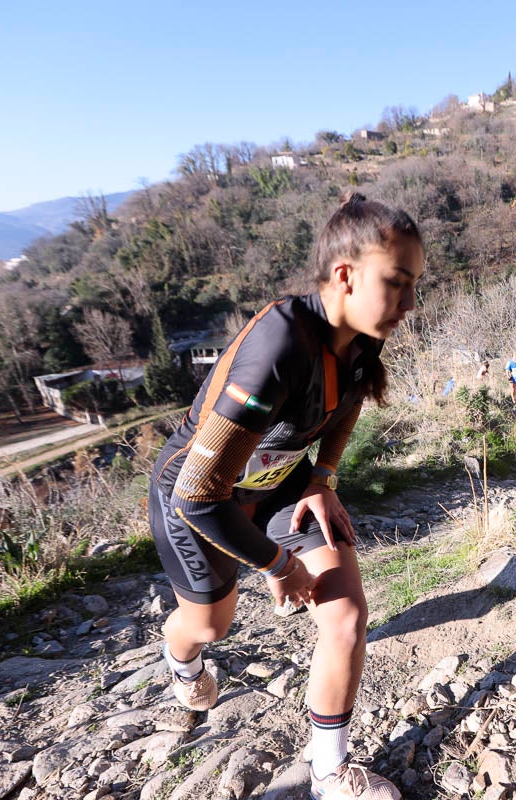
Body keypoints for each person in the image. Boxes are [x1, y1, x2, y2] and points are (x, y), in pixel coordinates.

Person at [147, 193, 423, 800]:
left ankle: (329, 770)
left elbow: (347, 407)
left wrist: (322, 482)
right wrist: (279, 564)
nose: (408, 304)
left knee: (346, 615)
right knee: (211, 625)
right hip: (195, 494)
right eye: (397, 283)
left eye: (414, 286)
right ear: (345, 276)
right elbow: (200, 492)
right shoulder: (278, 345)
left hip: (279, 483)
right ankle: (182, 666)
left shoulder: (361, 335)